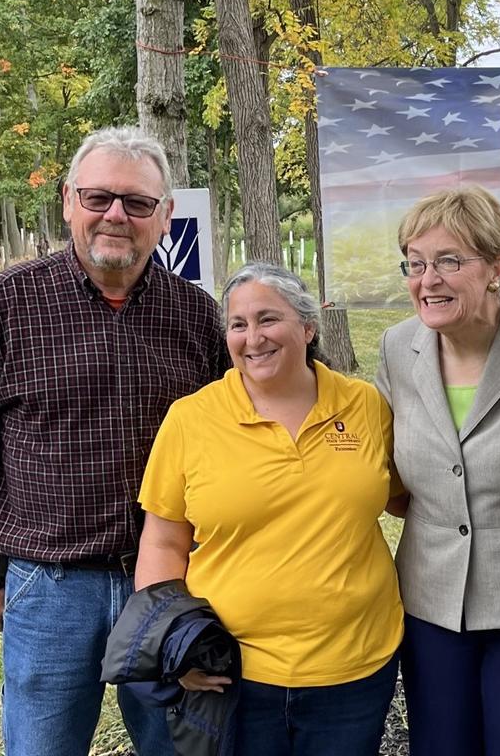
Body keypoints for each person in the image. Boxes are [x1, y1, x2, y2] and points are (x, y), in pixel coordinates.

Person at [0, 125, 227, 755]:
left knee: (179, 747)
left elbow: (233, 446)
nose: (116, 215)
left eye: (138, 203)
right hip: (51, 585)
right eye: (99, 198)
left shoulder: (197, 316)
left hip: (171, 582)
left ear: (166, 216)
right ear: (69, 200)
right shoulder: (2, 306)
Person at [134, 263, 404, 756]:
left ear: (308, 326)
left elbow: (405, 495)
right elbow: (162, 541)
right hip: (234, 673)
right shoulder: (192, 418)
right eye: (238, 324)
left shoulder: (364, 405)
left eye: (268, 319)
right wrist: (172, 643)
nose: (252, 338)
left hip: (355, 666)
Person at [375, 186, 500, 756]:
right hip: (430, 600)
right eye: (415, 263)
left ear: (494, 266)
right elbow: (391, 474)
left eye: (448, 261)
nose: (427, 279)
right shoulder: (397, 347)